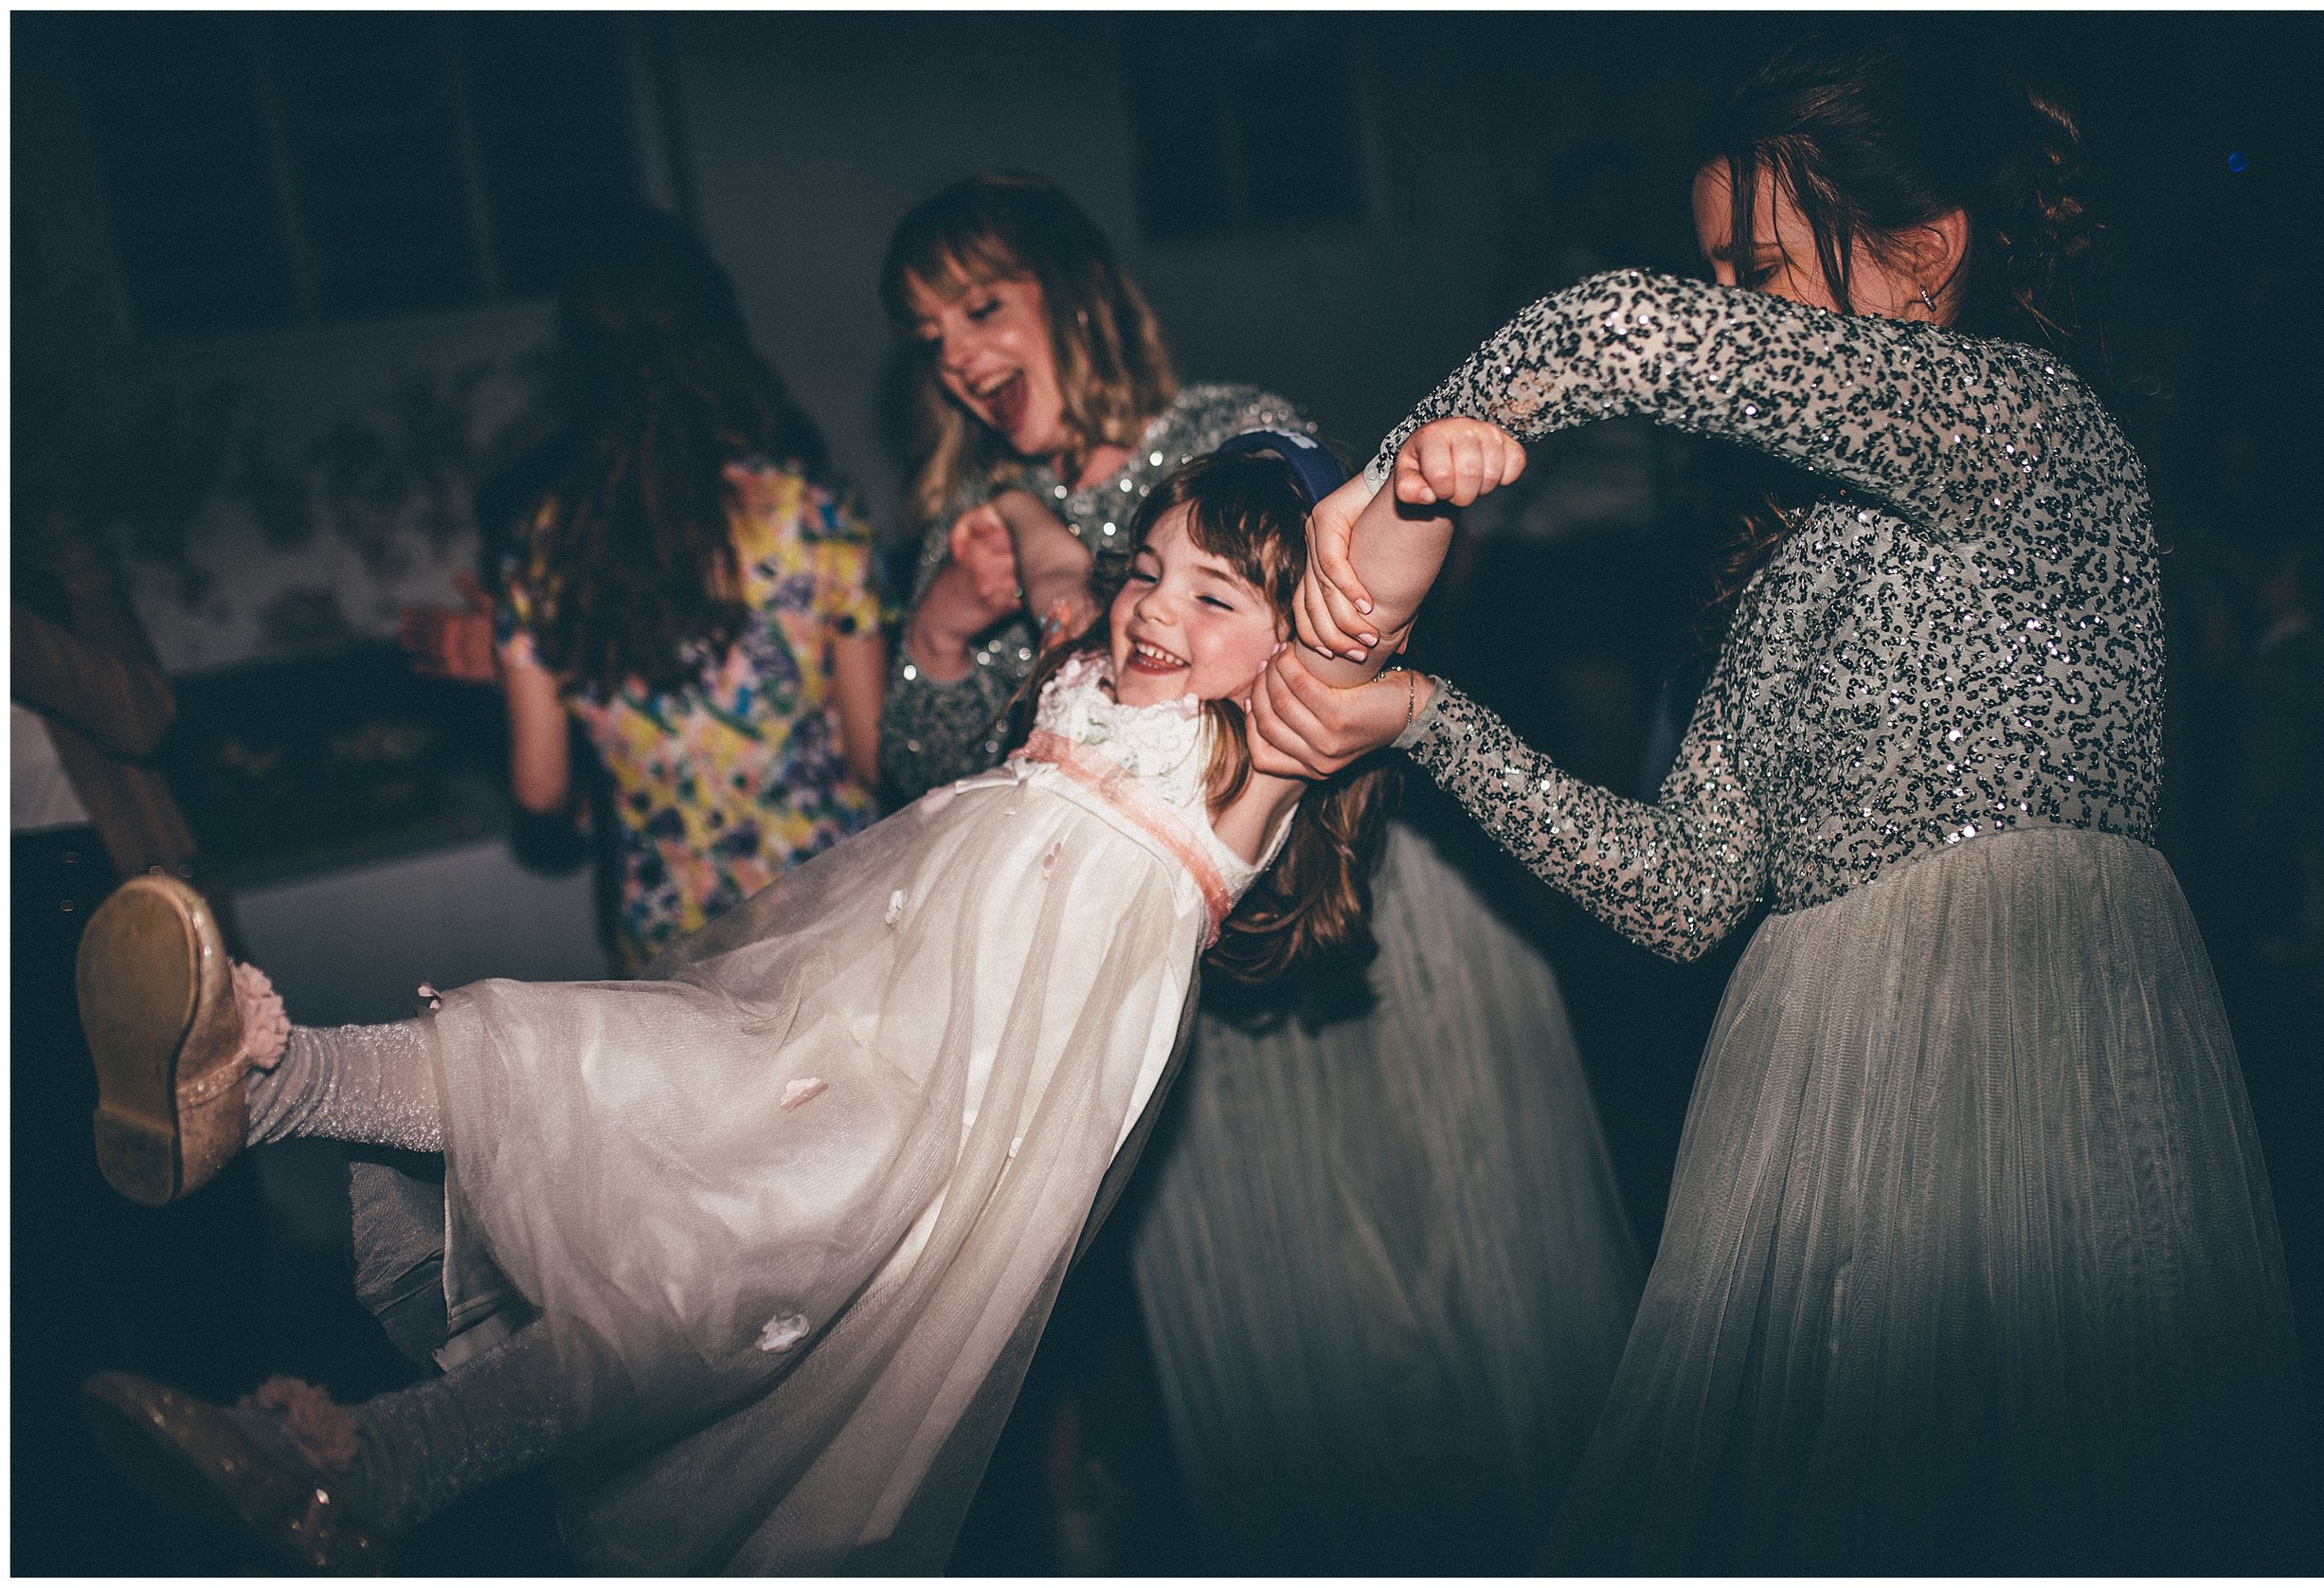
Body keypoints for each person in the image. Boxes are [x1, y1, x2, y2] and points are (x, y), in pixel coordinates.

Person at [1257, 27, 2303, 1575]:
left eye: (1755, 273)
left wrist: (1401, 473)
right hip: (1804, 1079)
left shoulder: (2026, 429)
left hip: (2014, 1036)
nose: (1725, 320)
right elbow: (1677, 892)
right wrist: (1421, 715)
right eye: (1717, 278)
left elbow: (1622, 334)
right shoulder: (1781, 574)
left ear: (1926, 250)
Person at [74, 447, 1459, 1573]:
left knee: (678, 1293)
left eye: (1217, 596)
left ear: (1302, 642)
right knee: (568, 1056)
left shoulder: (1256, 755)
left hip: (931, 1136)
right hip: (824, 1022)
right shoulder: (1093, 679)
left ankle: (371, 1460)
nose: (1160, 610)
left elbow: (1373, 594)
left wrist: (1425, 486)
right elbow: (1052, 550)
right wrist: (1027, 530)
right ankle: (267, 1086)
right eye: (1150, 572)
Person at [879, 172, 1641, 1571]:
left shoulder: (1228, 434)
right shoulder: (963, 533)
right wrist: (938, 634)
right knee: (1310, 1362)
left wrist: (1097, 569)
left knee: (1482, 1293)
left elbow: (1369, 606)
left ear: (1072, 289)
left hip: (1376, 925)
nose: (960, 354)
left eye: (981, 305)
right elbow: (938, 795)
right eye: (928, 335)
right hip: (1176, 1006)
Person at [416, 204, 886, 971]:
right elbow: (874, 757)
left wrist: (519, 670)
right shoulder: (813, 506)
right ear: (718, 335)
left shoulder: (543, 542)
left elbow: (541, 796)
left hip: (677, 947)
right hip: (834, 926)